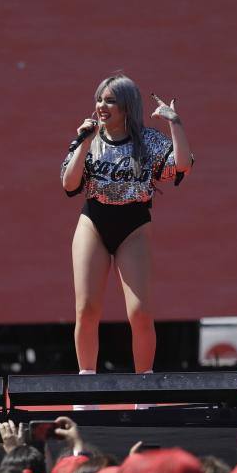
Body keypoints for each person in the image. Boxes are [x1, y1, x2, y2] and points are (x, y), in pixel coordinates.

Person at [61, 74, 192, 373]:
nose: (102, 106)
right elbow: (69, 184)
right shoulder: (89, 137)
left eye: (110, 100)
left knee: (140, 313)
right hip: (93, 221)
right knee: (87, 309)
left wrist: (175, 123)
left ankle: (143, 391)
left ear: (127, 107)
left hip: (133, 225)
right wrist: (83, 142)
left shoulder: (148, 141)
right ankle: (86, 389)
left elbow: (182, 164)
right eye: (99, 99)